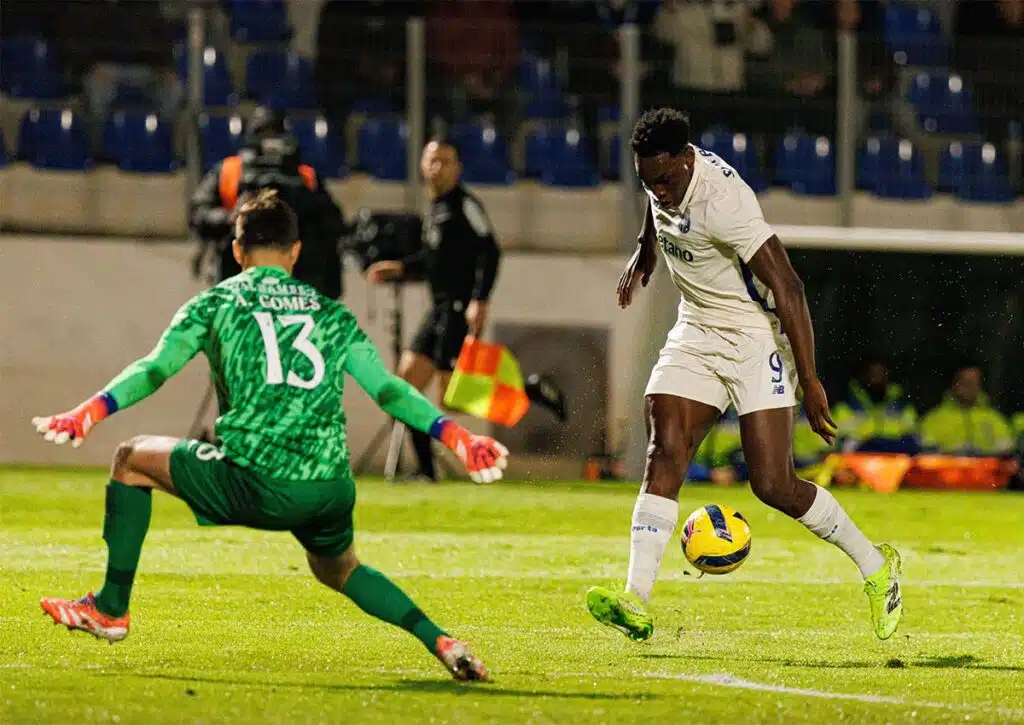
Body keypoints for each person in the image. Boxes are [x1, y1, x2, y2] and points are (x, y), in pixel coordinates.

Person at [31, 190, 506, 682]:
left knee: (131, 459)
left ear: (236, 252)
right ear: (295, 251)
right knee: (340, 569)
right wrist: (457, 435)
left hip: (260, 484)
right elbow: (388, 390)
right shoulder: (330, 314)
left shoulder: (215, 304)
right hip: (329, 486)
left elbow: (155, 370)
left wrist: (90, 411)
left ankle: (110, 608)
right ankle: (443, 642)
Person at [585, 108, 902, 643]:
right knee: (664, 450)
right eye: (648, 182)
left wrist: (812, 378)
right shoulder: (662, 180)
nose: (658, 192)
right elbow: (656, 207)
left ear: (687, 161)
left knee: (773, 485)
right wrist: (645, 250)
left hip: (754, 339)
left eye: (665, 180)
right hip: (695, 331)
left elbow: (790, 288)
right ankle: (635, 600)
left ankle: (876, 566)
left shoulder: (725, 202)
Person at [366, 138, 502, 482]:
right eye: (432, 160)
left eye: (445, 161)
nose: (437, 167)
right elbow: (432, 260)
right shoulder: (434, 210)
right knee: (401, 390)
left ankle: (526, 391)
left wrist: (479, 299)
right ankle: (427, 473)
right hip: (438, 311)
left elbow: (491, 251)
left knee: (451, 400)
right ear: (423, 166)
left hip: (457, 310)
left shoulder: (465, 205)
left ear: (457, 168)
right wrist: (399, 268)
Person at [190, 106, 346, 300]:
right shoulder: (229, 171)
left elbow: (334, 221)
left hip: (297, 281)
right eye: (263, 133)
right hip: (238, 280)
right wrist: (233, 219)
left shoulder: (305, 176)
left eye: (275, 133)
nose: (269, 140)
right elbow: (198, 212)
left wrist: (302, 210)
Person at [919, 361, 1015, 457]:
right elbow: (926, 454)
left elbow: (1008, 451)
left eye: (975, 383)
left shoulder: (995, 419)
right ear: (954, 385)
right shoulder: (933, 420)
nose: (971, 388)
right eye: (966, 383)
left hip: (985, 471)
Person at [833, 354, 918, 454]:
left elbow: (914, 440)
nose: (877, 379)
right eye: (872, 374)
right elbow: (839, 444)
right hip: (858, 467)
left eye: (881, 374)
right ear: (862, 376)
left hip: (896, 466)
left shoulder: (903, 408)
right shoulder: (845, 408)